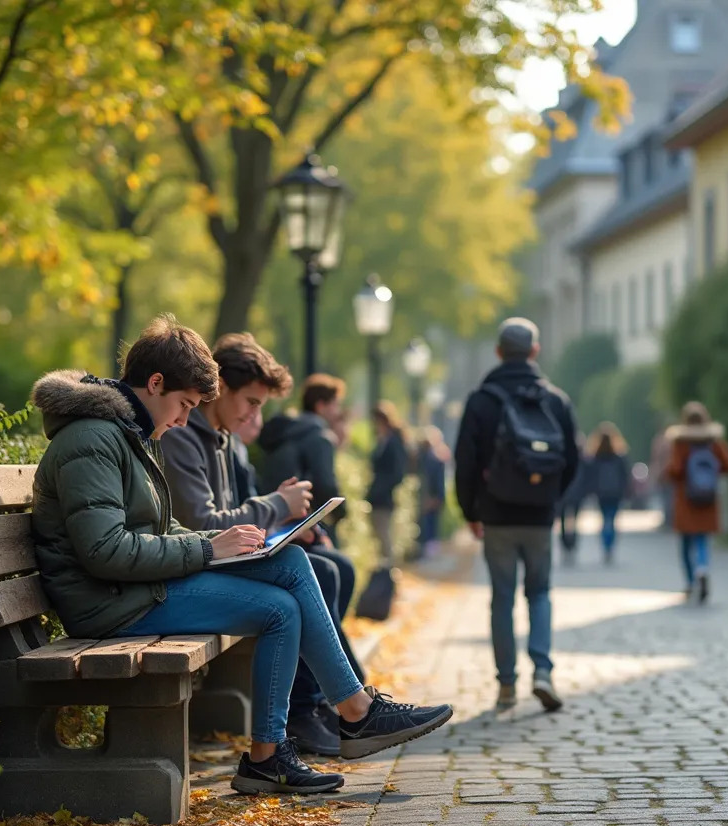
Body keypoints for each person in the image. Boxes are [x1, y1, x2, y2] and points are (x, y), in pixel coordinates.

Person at [28, 315, 452, 796]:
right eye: (184, 405)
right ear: (155, 382)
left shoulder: (127, 432)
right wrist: (208, 546)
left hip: (134, 588)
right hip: (109, 604)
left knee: (288, 570)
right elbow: (105, 552)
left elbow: (157, 530)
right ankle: (344, 717)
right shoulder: (94, 439)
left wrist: (232, 543)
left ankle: (307, 737)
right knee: (279, 607)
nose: (185, 419)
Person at [160, 333, 364, 756]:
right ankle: (327, 710)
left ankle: (330, 709)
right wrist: (276, 506)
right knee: (299, 581)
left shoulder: (214, 436)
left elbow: (217, 523)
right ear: (222, 388)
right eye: (251, 402)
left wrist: (284, 520)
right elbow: (204, 524)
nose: (255, 415)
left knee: (317, 566)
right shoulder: (183, 434)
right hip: (187, 569)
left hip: (195, 562)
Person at [454, 317, 579, 712]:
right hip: (539, 515)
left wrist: (470, 510)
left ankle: (506, 685)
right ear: (535, 351)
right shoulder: (555, 399)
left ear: (498, 352)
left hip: (496, 515)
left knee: (502, 598)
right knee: (540, 592)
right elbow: (573, 460)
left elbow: (465, 462)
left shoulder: (481, 400)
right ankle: (543, 670)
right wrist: (552, 500)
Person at [259, 374, 348, 543]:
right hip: (300, 522)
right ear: (321, 406)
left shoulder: (286, 431)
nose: (338, 411)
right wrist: (341, 512)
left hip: (270, 520)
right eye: (335, 405)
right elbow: (325, 486)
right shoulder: (319, 437)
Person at [664, 401, 728, 603]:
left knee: (686, 544)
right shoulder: (713, 441)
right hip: (708, 500)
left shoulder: (680, 442)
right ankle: (702, 569)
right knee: (702, 540)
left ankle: (690, 582)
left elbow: (675, 470)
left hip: (685, 500)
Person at [367, 401, 408, 566]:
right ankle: (386, 574)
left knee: (385, 537)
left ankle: (389, 576)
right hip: (378, 496)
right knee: (380, 537)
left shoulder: (392, 441)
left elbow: (397, 472)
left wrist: (380, 489)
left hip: (383, 497)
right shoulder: (383, 440)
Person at [587, 422, 630, 565]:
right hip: (615, 493)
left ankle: (606, 545)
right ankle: (610, 545)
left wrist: (591, 490)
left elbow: (591, 476)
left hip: (601, 493)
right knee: (612, 519)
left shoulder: (595, 457)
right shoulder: (619, 457)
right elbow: (625, 476)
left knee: (605, 519)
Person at [415, 426, 450, 560]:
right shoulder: (430, 458)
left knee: (429, 526)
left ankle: (427, 551)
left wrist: (436, 498)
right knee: (428, 526)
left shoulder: (433, 459)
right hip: (430, 497)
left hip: (431, 498)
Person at [557, 430, 588, 567]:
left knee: (564, 522)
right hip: (573, 494)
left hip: (565, 493)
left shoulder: (562, 456)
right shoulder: (583, 460)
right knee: (573, 521)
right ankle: (571, 544)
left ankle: (567, 544)